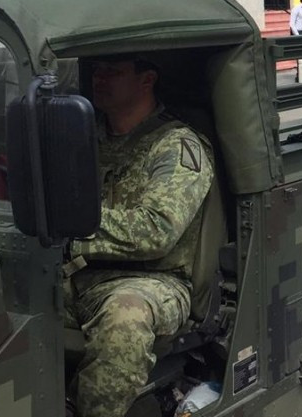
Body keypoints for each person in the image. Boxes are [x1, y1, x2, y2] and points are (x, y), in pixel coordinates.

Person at [65, 55, 214, 417]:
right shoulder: (82, 136)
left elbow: (156, 229)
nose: (99, 78)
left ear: (146, 80)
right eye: (97, 70)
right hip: (75, 272)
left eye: (113, 71)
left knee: (125, 317)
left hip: (153, 281)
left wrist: (70, 232)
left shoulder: (177, 145)